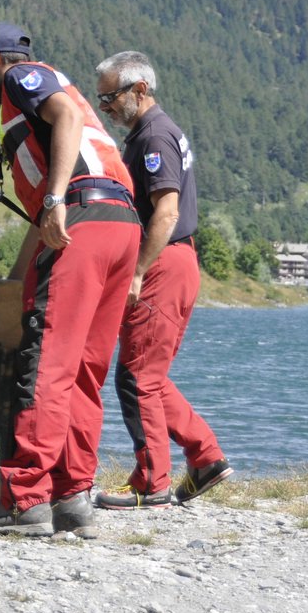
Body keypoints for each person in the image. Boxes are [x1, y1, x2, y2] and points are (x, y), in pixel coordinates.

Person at [0, 24, 140, 538]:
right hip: (119, 223)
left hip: (80, 215)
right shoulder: (49, 81)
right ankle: (73, 496)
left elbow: (68, 117)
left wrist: (55, 198)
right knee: (83, 368)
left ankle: (24, 499)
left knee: (47, 366)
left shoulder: (22, 79)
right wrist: (17, 282)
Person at [93, 50, 232, 509]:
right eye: (101, 99)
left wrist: (136, 271)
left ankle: (151, 481)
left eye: (111, 97)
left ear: (140, 89)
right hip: (174, 263)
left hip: (161, 264)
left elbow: (166, 211)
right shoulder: (152, 132)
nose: (105, 107)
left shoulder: (154, 137)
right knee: (147, 375)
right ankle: (206, 458)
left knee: (136, 378)